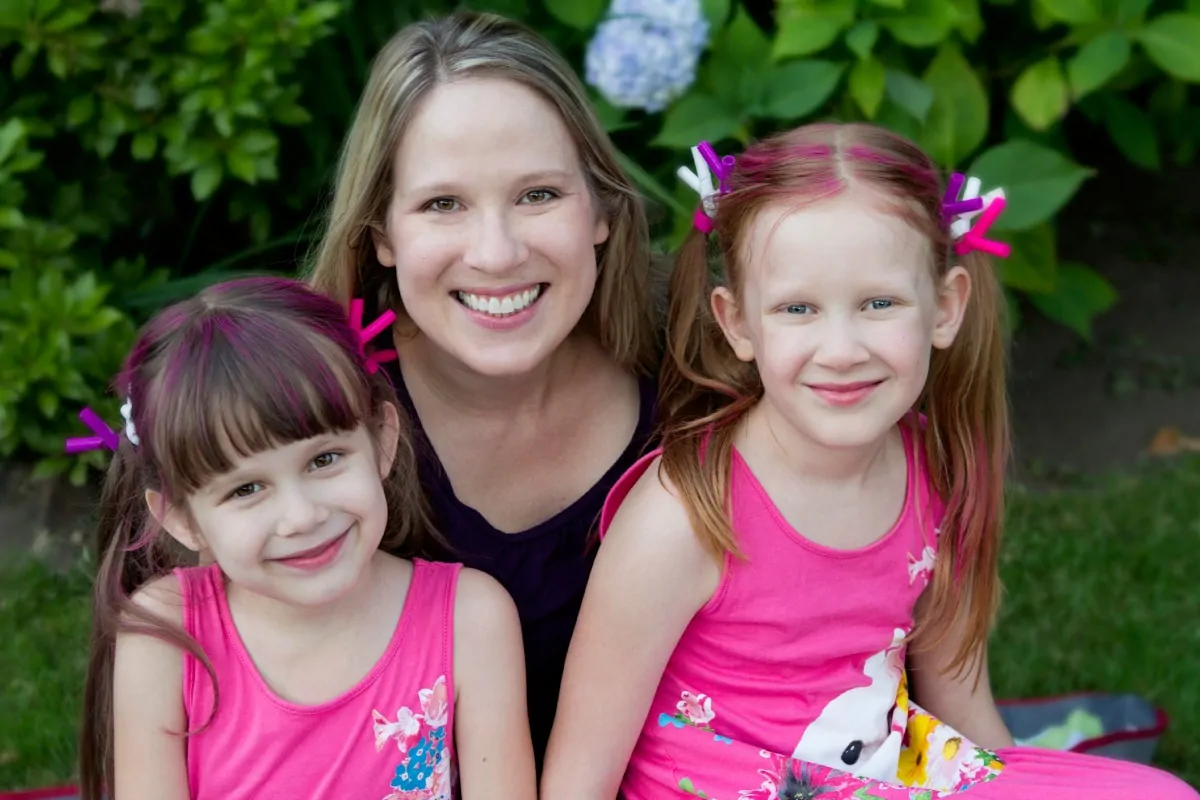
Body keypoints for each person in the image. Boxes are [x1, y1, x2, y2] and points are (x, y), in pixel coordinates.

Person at [541, 123, 1200, 799]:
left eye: (878, 303)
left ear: (945, 308)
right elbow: (576, 781)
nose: (842, 349)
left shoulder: (930, 472)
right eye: (798, 308)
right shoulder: (683, 516)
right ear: (738, 323)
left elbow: (962, 712)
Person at [306, 11, 661, 765]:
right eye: (443, 204)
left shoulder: (694, 374)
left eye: (538, 195)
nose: (497, 252)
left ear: (599, 207)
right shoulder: (310, 432)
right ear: (381, 235)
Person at [75, 277, 536, 800]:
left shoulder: (469, 619)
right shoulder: (166, 636)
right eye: (247, 489)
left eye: (324, 460)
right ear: (182, 519)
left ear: (382, 441)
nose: (300, 516)